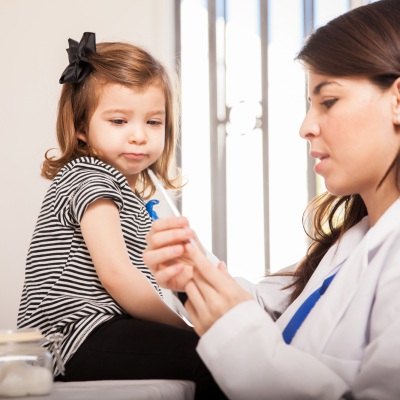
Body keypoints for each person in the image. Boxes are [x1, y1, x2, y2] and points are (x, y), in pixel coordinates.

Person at [143, 1, 400, 398]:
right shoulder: (351, 244)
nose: (305, 127)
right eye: (308, 104)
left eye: (328, 101)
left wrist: (237, 335)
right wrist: (193, 273)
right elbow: (269, 309)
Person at [17, 32, 226, 399]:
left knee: (219, 350)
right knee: (211, 355)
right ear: (81, 128)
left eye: (153, 122)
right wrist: (185, 325)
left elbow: (157, 278)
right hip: (71, 337)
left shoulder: (126, 190)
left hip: (99, 329)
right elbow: (117, 276)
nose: (139, 136)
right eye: (118, 121)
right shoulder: (88, 176)